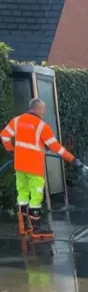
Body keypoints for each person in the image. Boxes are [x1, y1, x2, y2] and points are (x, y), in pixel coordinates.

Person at [1, 98, 83, 238]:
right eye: (43, 109)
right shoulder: (41, 126)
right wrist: (72, 159)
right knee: (36, 197)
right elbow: (55, 147)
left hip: (20, 165)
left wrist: (11, 150)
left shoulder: (17, 120)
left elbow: (4, 136)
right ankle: (36, 229)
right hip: (34, 167)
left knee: (22, 194)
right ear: (37, 109)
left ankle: (24, 227)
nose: (44, 112)